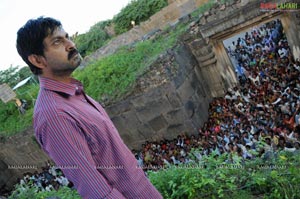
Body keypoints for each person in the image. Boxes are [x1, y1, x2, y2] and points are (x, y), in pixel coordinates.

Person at [16, 16, 162, 199]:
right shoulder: (54, 115)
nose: (71, 44)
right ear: (37, 60)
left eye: (67, 37)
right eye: (57, 42)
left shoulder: (74, 94)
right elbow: (97, 190)